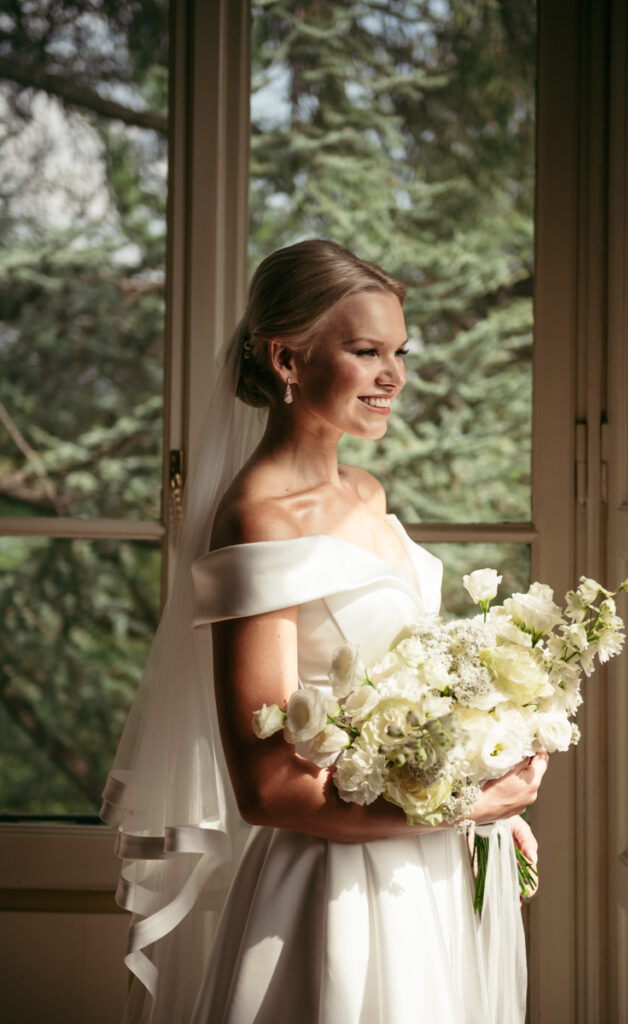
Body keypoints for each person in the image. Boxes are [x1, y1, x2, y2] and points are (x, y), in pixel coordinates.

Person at [102, 240, 548, 1024]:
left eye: (399, 352)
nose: (393, 377)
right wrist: (465, 805)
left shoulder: (368, 492)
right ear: (286, 360)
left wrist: (488, 789)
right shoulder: (257, 521)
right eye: (365, 351)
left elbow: (406, 679)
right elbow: (267, 789)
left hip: (432, 873)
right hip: (338, 893)